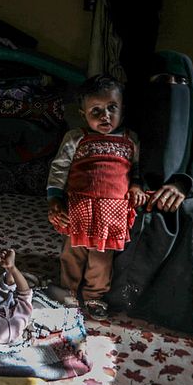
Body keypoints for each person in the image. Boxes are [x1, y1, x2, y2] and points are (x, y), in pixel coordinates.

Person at [105, 50, 193, 340]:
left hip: (187, 204)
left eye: (179, 82)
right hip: (136, 198)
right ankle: (125, 292)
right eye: (161, 81)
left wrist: (186, 185)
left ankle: (181, 301)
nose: (170, 89)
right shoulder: (129, 128)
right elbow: (103, 173)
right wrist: (133, 187)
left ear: (191, 89)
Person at [46, 75, 148, 320]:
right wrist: (55, 198)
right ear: (83, 114)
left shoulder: (131, 140)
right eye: (96, 110)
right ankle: (68, 290)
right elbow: (59, 168)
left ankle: (94, 295)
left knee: (102, 258)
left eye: (112, 108)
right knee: (73, 252)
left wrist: (136, 186)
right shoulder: (76, 137)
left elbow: (138, 169)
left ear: (122, 111)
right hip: (78, 208)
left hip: (112, 212)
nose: (105, 116)